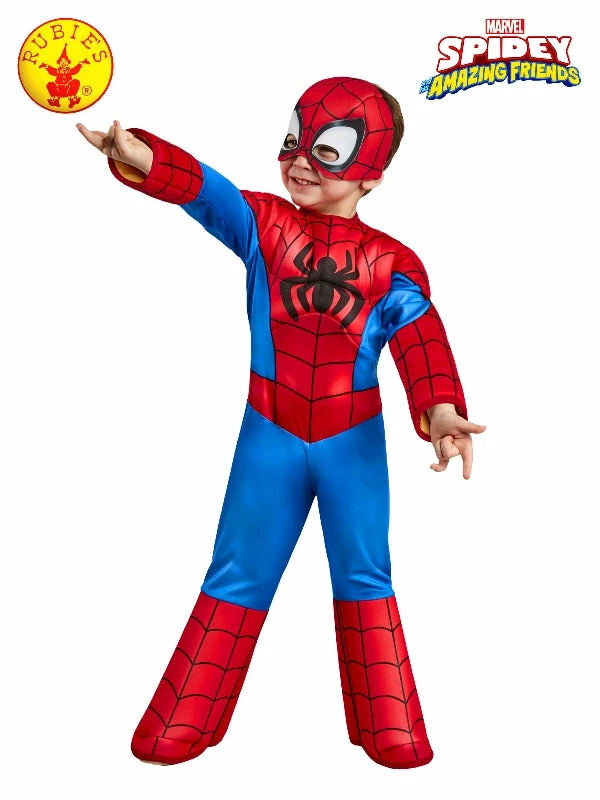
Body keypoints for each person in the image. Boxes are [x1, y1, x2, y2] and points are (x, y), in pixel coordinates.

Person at [77, 76, 486, 770]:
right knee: (238, 569)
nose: (300, 160)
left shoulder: (392, 261)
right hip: (269, 429)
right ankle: (187, 715)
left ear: (372, 174)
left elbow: (420, 333)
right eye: (294, 141)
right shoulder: (265, 224)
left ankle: (387, 723)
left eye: (327, 150)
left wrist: (441, 408)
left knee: (365, 572)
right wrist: (142, 154)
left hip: (352, 439)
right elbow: (207, 192)